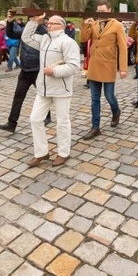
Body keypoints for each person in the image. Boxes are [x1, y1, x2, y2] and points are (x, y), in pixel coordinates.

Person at [21, 14, 81, 167]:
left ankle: (63, 153)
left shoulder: (68, 42)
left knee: (62, 122)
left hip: (61, 89)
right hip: (43, 89)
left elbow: (74, 66)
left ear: (62, 26)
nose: (49, 25)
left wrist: (54, 71)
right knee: (35, 119)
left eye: (53, 23)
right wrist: (34, 21)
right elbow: (26, 37)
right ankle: (42, 152)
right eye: (48, 23)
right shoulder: (44, 39)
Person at [80, 0, 128, 139]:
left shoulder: (117, 25)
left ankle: (116, 111)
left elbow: (123, 47)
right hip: (95, 64)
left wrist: (123, 68)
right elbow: (83, 38)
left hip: (108, 64)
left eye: (103, 11)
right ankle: (95, 127)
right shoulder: (94, 23)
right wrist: (85, 24)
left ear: (109, 10)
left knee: (109, 96)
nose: (100, 13)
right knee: (94, 98)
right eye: (98, 11)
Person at [0, 13, 51, 132]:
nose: (32, 20)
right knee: (18, 96)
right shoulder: (25, 31)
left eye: (34, 18)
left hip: (37, 70)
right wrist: (10, 22)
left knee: (42, 95)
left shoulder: (44, 32)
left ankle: (47, 116)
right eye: (30, 18)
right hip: (25, 70)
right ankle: (12, 123)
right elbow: (11, 34)